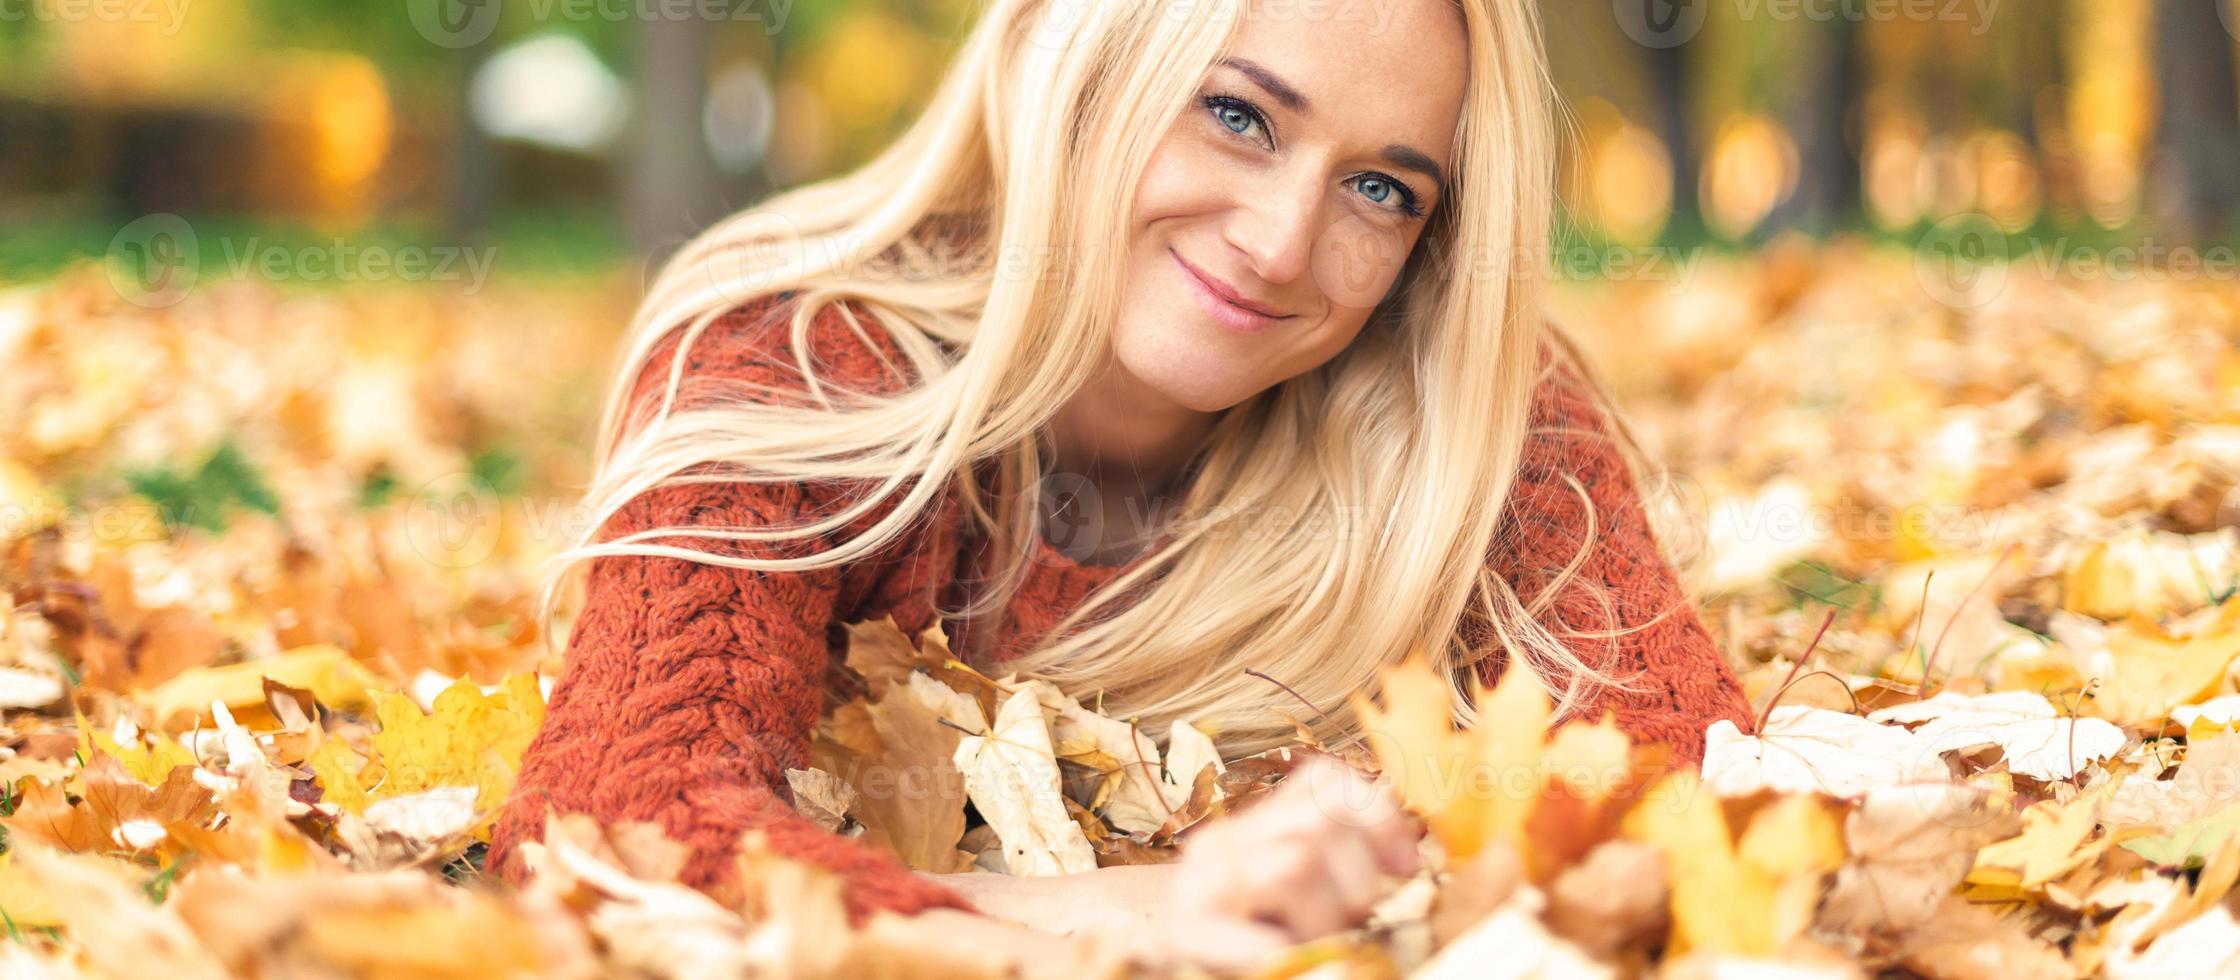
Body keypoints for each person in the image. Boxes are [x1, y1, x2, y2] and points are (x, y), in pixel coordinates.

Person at [488, 0, 1753, 964]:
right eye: (1238, 114)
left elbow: (1691, 775)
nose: (1278, 245)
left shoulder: (1465, 403)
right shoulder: (794, 360)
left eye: (1381, 187)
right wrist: (1122, 916)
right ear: (1079, 63)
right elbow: (619, 831)